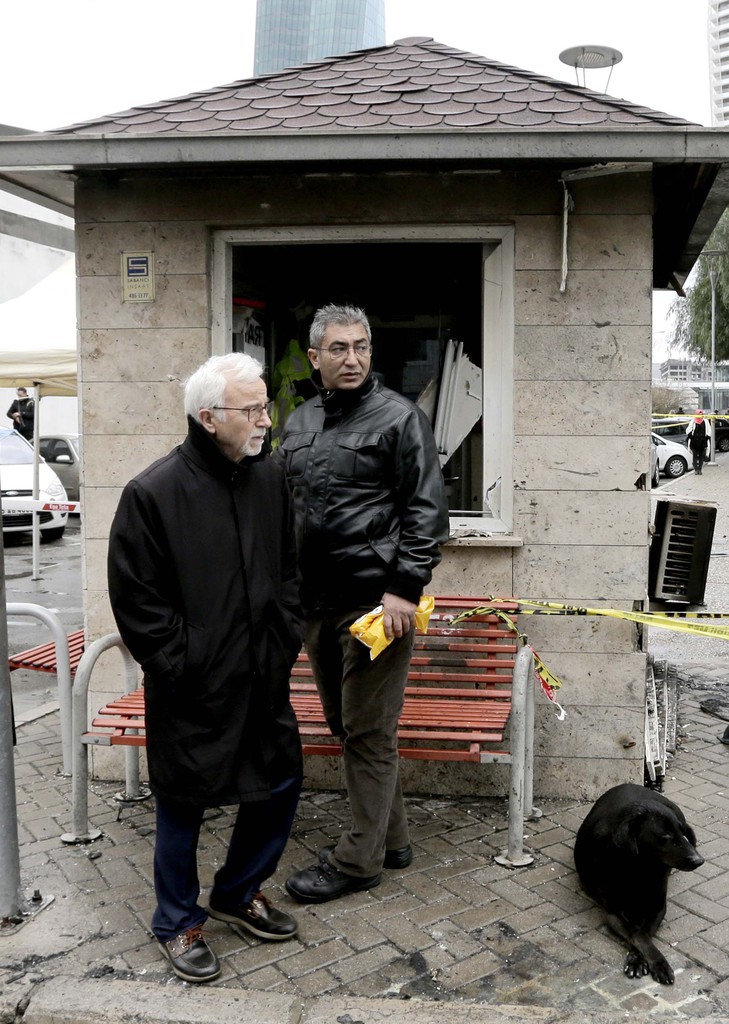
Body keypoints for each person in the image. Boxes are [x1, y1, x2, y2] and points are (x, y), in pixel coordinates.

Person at [107, 353, 304, 983]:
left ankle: (237, 892)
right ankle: (177, 921)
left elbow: (291, 570)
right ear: (209, 416)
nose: (265, 419)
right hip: (193, 686)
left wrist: (283, 640)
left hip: (262, 676)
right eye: (253, 409)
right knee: (183, 804)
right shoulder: (153, 492)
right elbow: (136, 598)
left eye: (265, 406)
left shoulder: (270, 478)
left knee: (279, 784)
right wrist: (180, 663)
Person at [279, 304, 449, 904]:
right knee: (348, 727)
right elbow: (286, 512)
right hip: (316, 607)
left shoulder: (401, 419)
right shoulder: (297, 423)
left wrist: (405, 588)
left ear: (371, 355)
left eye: (360, 347)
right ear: (316, 357)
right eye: (338, 348)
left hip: (377, 608)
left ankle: (358, 860)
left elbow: (426, 511)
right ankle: (393, 839)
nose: (351, 358)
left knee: (368, 732)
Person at [686, 410, 710, 475]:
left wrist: (706, 438)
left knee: (701, 456)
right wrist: (692, 437)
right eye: (699, 414)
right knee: (695, 456)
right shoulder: (693, 421)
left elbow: (709, 431)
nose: (700, 415)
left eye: (701, 414)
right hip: (694, 442)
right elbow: (688, 430)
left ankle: (700, 469)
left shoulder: (706, 421)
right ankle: (696, 469)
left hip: (702, 442)